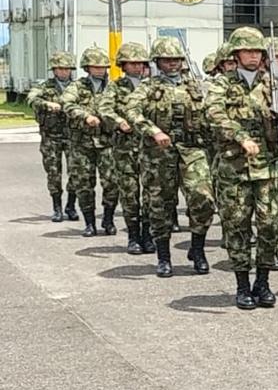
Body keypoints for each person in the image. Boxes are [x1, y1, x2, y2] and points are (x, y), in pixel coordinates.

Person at [206, 27, 278, 309]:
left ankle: (263, 281)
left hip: (269, 167)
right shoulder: (221, 84)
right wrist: (241, 137)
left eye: (257, 51)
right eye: (247, 51)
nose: (252, 56)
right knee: (238, 226)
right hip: (234, 167)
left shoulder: (274, 84)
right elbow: (214, 114)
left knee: (270, 224)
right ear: (236, 54)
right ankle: (242, 285)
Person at [125, 37, 217, 277]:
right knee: (160, 204)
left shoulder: (196, 86)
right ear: (157, 62)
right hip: (158, 153)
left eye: (176, 59)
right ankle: (163, 257)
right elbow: (131, 111)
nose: (173, 64)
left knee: (203, 197)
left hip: (191, 150)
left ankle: (197, 249)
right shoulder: (147, 87)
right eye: (167, 60)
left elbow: (213, 112)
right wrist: (153, 130)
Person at [98, 42, 153, 255]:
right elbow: (105, 108)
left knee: (150, 193)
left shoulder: (152, 85)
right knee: (130, 193)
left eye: (140, 63)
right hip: (125, 148)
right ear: (123, 65)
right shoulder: (116, 86)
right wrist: (119, 121)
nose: (137, 67)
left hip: (149, 148)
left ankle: (148, 235)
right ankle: (133, 236)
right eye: (132, 63)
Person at [61, 46, 118, 237]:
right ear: (87, 67)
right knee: (84, 183)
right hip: (81, 143)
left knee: (111, 182)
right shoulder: (76, 86)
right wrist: (84, 116)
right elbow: (67, 104)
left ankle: (108, 219)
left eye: (103, 66)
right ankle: (89, 222)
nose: (100, 69)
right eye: (96, 66)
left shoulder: (113, 87)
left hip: (107, 143)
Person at [27, 51, 79, 223]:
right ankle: (56, 207)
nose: (64, 72)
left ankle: (71, 206)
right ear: (54, 70)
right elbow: (31, 98)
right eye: (60, 69)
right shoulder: (44, 86)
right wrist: (46, 104)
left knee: (76, 172)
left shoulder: (77, 86)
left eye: (67, 69)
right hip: (51, 136)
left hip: (73, 135)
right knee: (53, 172)